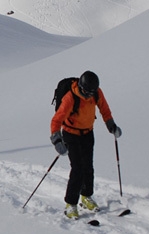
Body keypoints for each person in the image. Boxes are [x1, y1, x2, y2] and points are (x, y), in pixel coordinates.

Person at [50, 71, 122, 219]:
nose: (90, 96)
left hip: (88, 133)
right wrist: (57, 140)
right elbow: (56, 121)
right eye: (87, 92)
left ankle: (86, 196)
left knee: (88, 167)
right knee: (77, 169)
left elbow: (104, 109)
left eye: (92, 92)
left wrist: (111, 125)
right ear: (81, 88)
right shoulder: (70, 98)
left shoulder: (96, 92)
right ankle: (70, 204)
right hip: (71, 134)